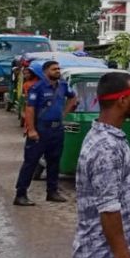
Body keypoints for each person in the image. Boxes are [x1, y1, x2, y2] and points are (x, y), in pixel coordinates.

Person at [73, 71, 130, 258]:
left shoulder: (111, 138)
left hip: (118, 255)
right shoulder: (105, 147)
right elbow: (109, 209)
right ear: (122, 100)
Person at [15, 60, 78, 206]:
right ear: (45, 72)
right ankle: (21, 194)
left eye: (58, 68)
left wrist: (64, 114)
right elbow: (29, 109)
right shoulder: (37, 87)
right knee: (31, 162)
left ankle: (52, 192)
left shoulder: (62, 85)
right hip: (40, 128)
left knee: (54, 162)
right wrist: (31, 130)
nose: (57, 71)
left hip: (57, 129)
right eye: (54, 69)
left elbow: (73, 97)